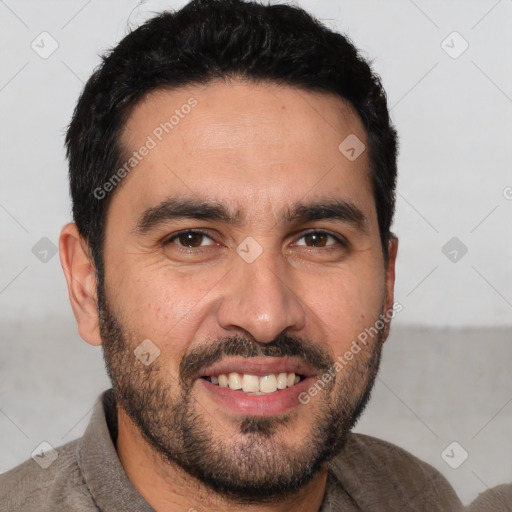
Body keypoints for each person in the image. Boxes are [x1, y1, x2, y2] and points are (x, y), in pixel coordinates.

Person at [0, 0, 465, 510]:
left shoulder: (419, 496)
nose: (265, 316)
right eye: (192, 239)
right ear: (88, 285)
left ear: (388, 279)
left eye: (317, 239)